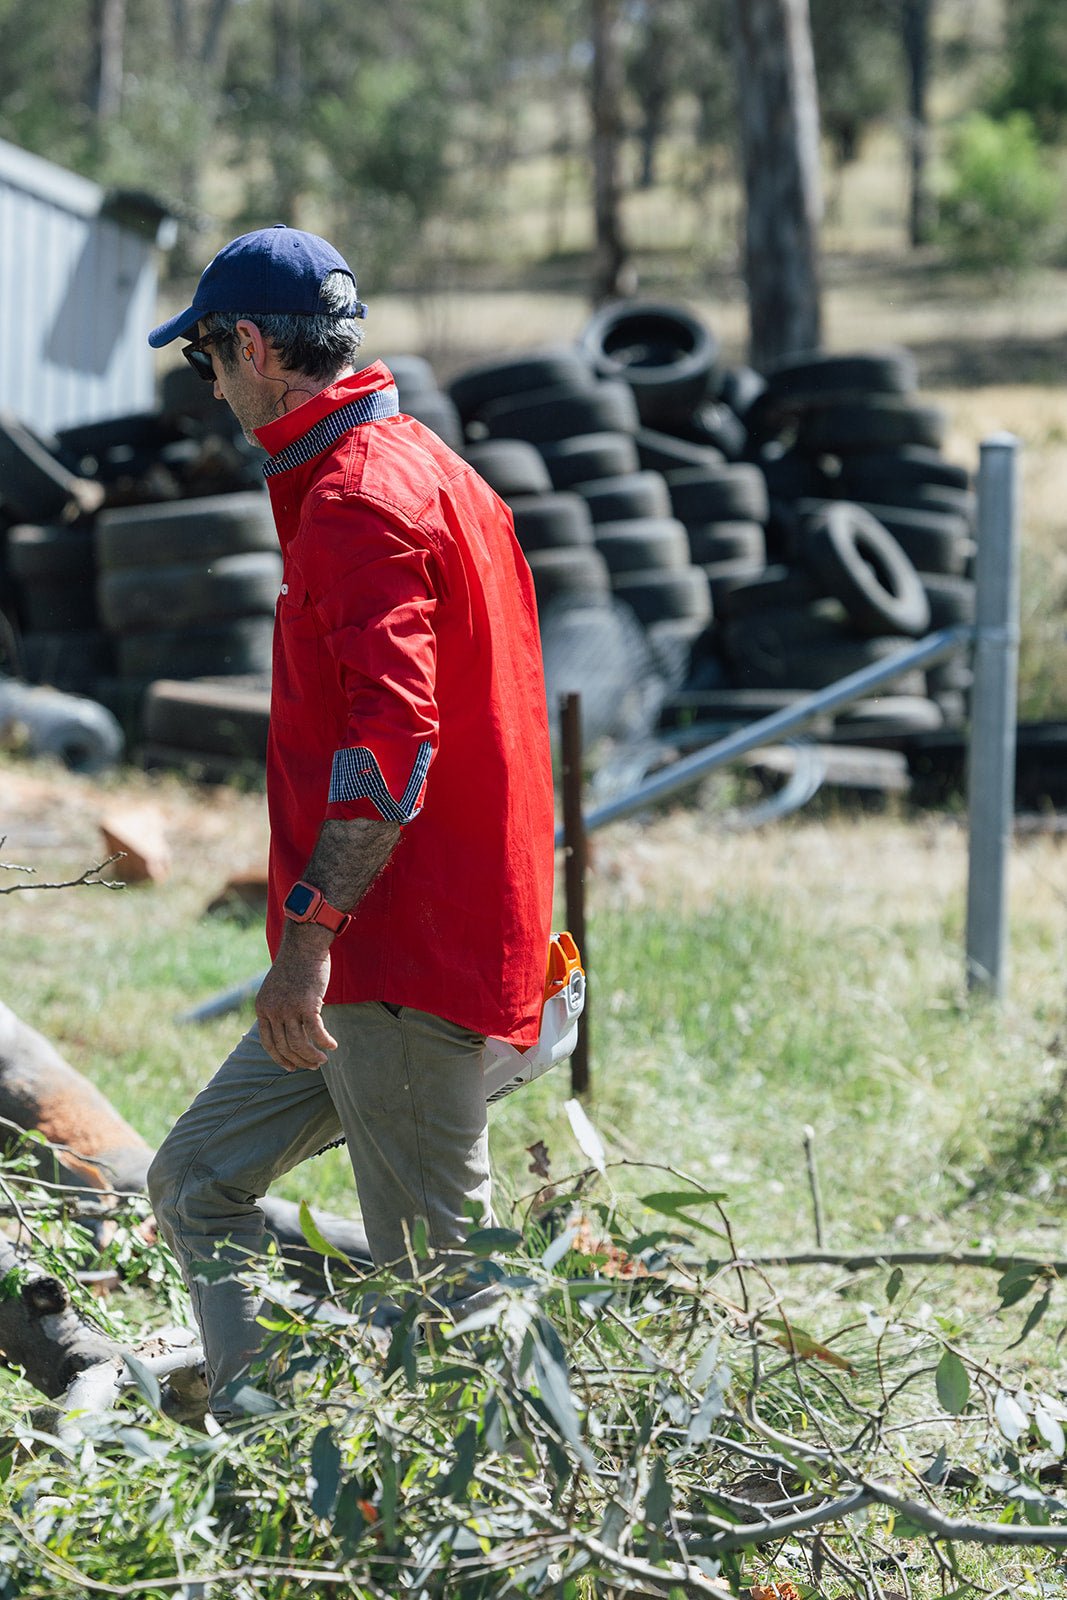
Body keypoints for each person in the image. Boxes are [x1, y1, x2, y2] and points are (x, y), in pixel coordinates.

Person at [145, 224, 556, 1420]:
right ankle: (269, 1449)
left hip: (398, 959)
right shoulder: (425, 465)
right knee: (196, 1181)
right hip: (402, 948)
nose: (209, 382)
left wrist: (309, 934)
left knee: (450, 1298)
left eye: (207, 358)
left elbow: (392, 750)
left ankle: (526, 1530)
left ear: (258, 348)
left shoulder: (357, 498)